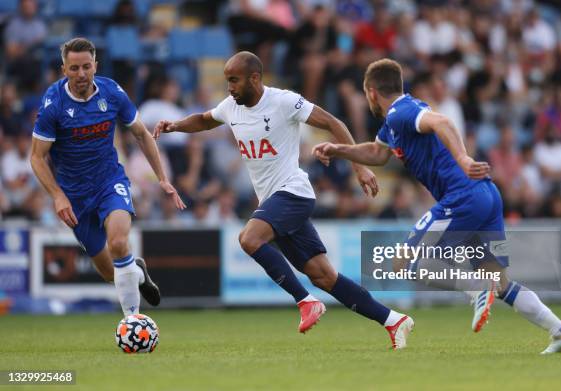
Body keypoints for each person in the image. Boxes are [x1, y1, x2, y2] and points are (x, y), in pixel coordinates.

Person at [313, 58, 561, 354]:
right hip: (486, 196)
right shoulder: (393, 123)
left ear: (371, 92)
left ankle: (476, 288)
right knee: (500, 282)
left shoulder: (404, 111)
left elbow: (442, 121)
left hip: (462, 196)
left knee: (406, 262)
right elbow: (377, 153)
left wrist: (464, 159)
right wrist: (340, 149)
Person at [154, 51, 412, 349]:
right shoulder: (230, 107)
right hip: (275, 201)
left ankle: (305, 302)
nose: (230, 87)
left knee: (249, 239)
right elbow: (202, 120)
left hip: (294, 192)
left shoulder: (283, 101)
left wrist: (359, 167)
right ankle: (393, 320)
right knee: (323, 276)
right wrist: (175, 125)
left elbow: (334, 123)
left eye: (234, 80)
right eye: (227, 81)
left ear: (254, 78)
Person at [30, 38, 186, 317]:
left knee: (117, 243)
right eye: (74, 68)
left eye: (86, 67)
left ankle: (133, 322)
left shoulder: (112, 93)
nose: (81, 74)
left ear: (95, 66)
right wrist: (57, 195)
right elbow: (37, 157)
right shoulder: (53, 104)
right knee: (109, 273)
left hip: (109, 182)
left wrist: (162, 177)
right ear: (64, 69)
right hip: (75, 196)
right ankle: (136, 271)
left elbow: (141, 133)